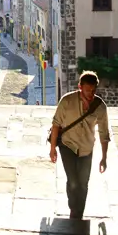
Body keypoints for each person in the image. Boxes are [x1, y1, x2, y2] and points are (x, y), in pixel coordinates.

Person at [48, 71, 110, 219]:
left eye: (93, 90)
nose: (91, 93)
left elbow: (104, 134)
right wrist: (52, 149)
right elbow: (56, 124)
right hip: (67, 145)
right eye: (88, 90)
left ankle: (78, 213)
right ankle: (73, 209)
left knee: (83, 183)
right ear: (80, 87)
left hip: (86, 148)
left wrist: (104, 157)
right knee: (73, 181)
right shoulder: (67, 101)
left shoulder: (100, 107)